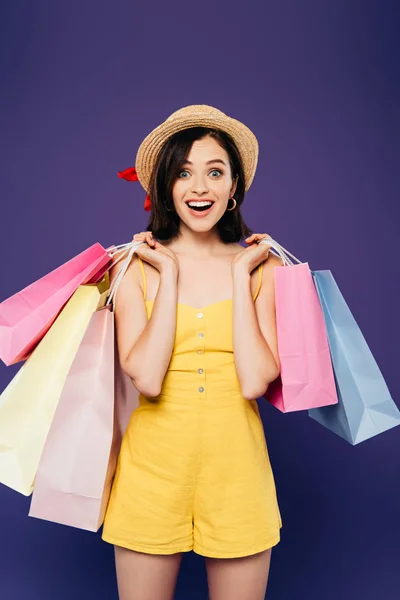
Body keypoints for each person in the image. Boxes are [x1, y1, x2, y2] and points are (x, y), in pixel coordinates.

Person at [101, 104, 283, 600]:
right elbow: (147, 378)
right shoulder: (135, 266)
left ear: (234, 187)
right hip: (151, 475)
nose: (199, 187)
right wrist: (172, 275)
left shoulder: (261, 267)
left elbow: (255, 381)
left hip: (238, 474)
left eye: (215, 172)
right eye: (183, 173)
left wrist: (241, 274)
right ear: (164, 187)